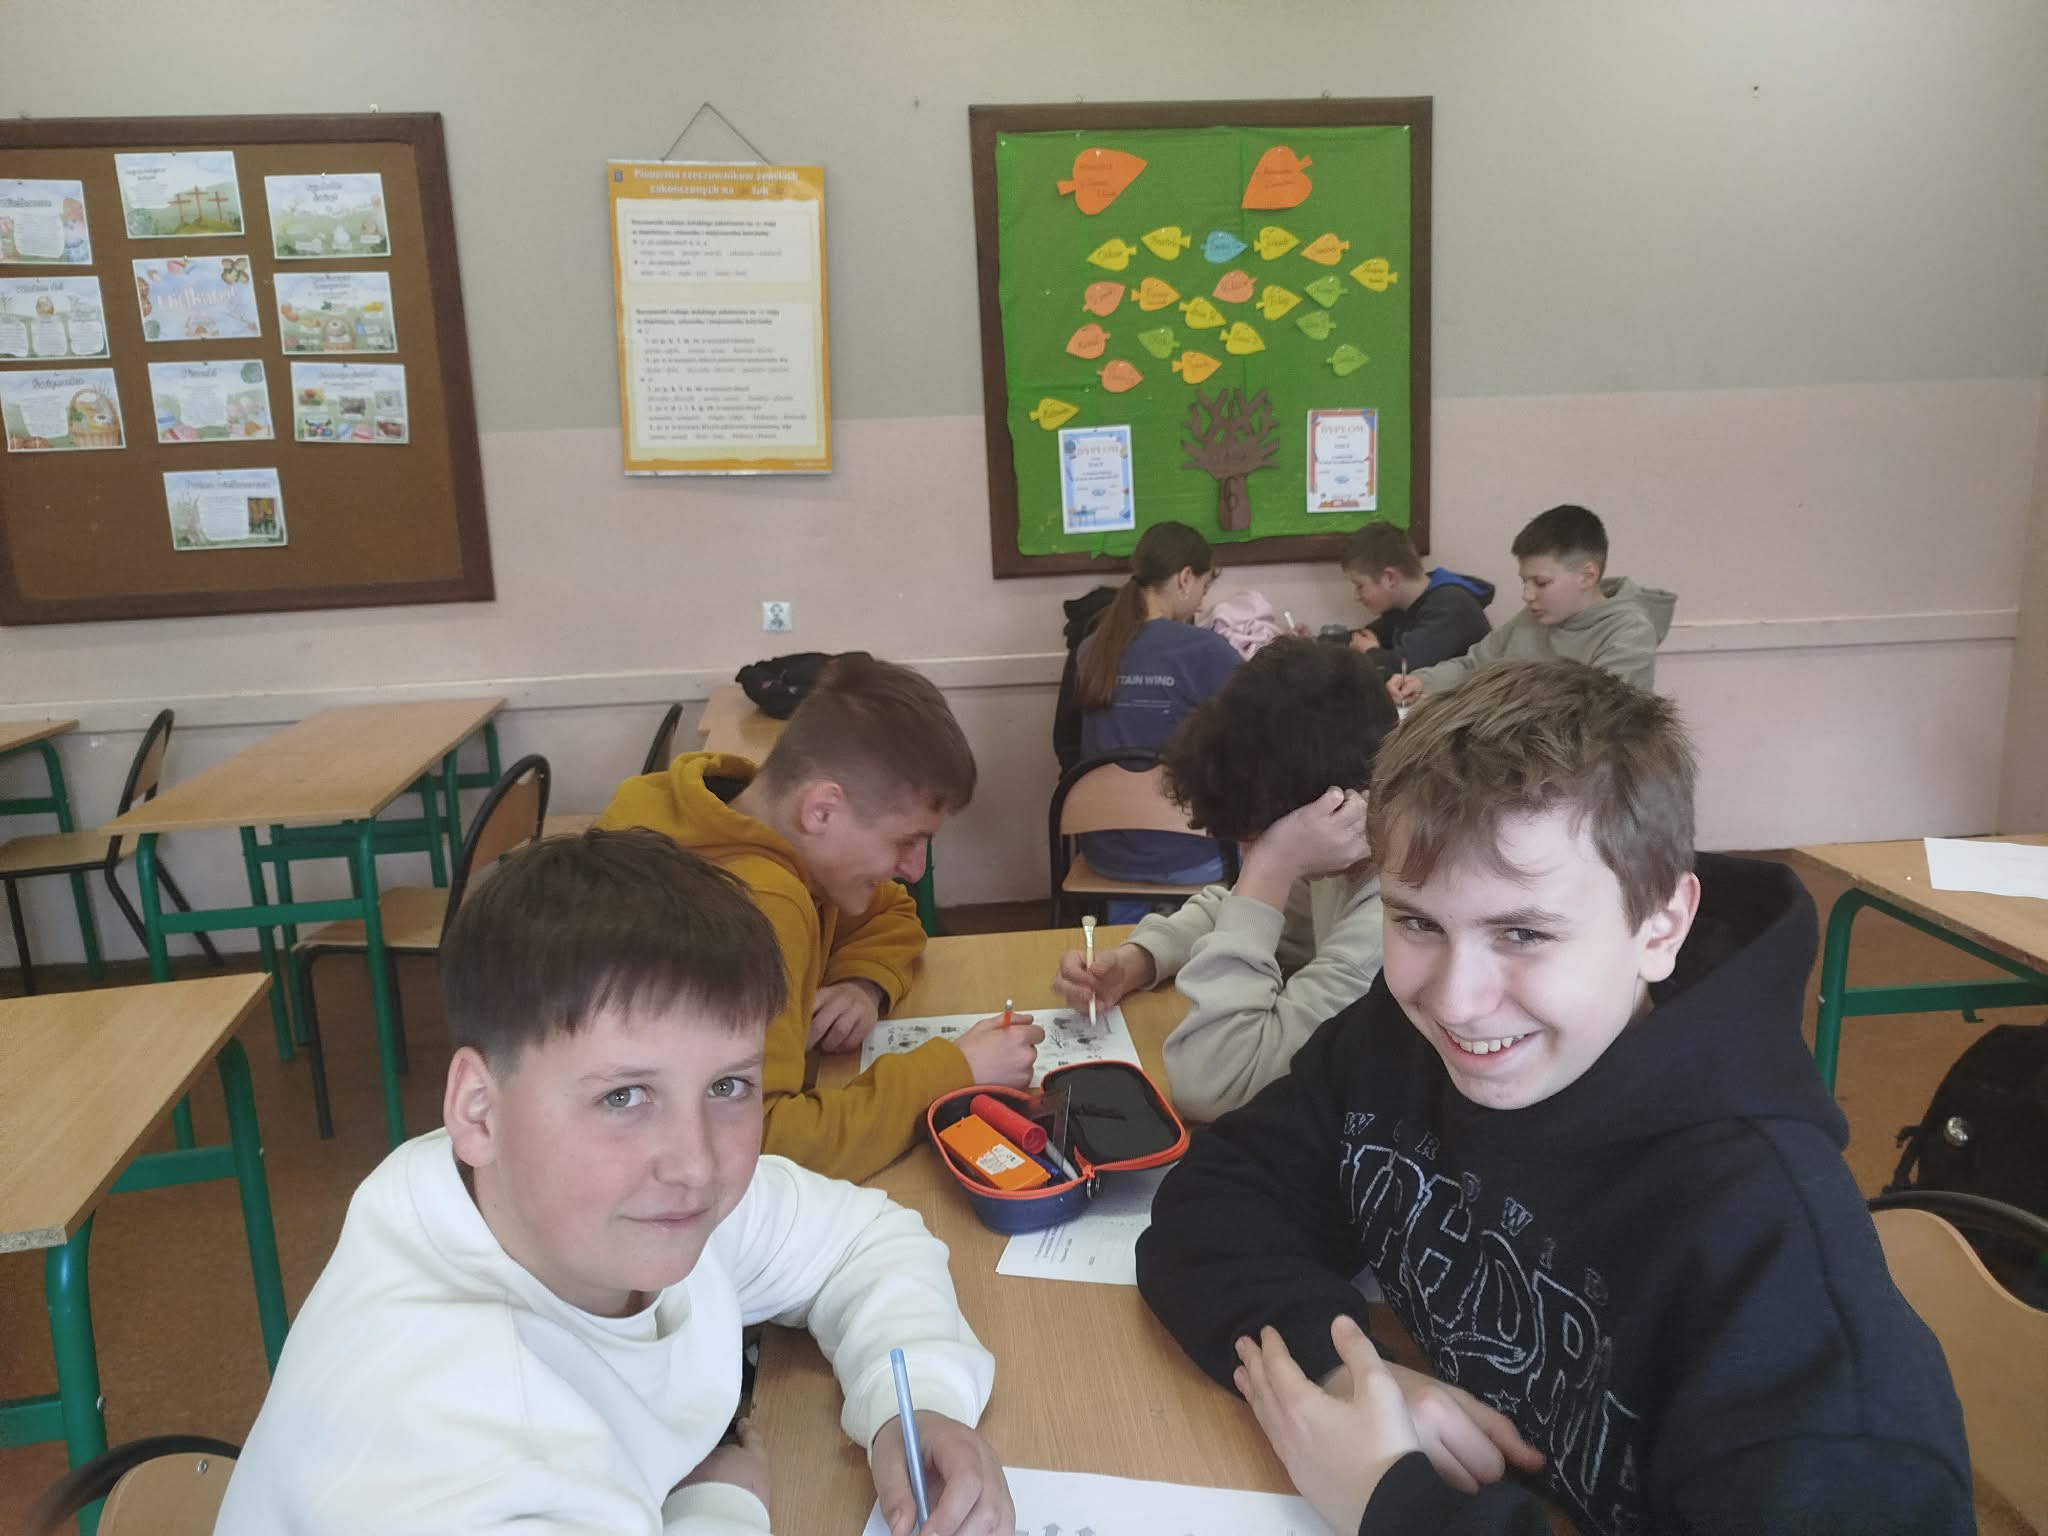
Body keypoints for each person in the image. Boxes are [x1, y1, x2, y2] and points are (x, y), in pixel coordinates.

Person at [1135, 661, 1971, 1536]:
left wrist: (1397, 1506)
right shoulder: (1404, 1033)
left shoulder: (1777, 1268)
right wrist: (1351, 1374)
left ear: (1661, 926)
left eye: (1523, 932)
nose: (1457, 1000)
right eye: (1417, 921)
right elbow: (1217, 1200)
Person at [218, 830, 1012, 1536]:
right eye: (623, 1097)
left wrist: (914, 1403)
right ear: (478, 1109)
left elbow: (861, 1240)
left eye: (729, 1086)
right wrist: (721, 1510)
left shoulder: (583, 1203)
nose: (696, 1163)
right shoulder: (446, 1447)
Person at [597, 655, 1041, 1183]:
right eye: (907, 841)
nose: (914, 869)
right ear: (822, 810)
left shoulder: (748, 822)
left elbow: (894, 912)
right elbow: (762, 1147)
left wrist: (862, 983)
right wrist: (954, 1072)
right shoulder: (761, 904)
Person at [1053, 638, 1397, 1120]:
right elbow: (1246, 911)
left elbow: (1214, 1082)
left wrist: (1273, 866)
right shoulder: (1351, 840)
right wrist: (1138, 960)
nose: (1252, 859)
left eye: (1263, 843)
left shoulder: (1397, 913)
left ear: (1335, 807)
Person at [1073, 521, 1241, 909]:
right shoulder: (1207, 649)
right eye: (1204, 587)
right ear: (1185, 578)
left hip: (1106, 856)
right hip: (1194, 859)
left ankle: (1126, 937)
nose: (1201, 603)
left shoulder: (1090, 649)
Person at [1389, 504, 1674, 707]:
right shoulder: (1533, 618)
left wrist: (1477, 704)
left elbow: (1595, 721)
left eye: (1541, 582)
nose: (1527, 595)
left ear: (1587, 576)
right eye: (1524, 581)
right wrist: (1422, 682)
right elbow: (1474, 665)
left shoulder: (1629, 634)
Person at [1337, 523, 1493, 678]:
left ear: (1389, 578)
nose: (1356, 597)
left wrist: (1370, 652)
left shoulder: (1452, 607)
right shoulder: (1404, 606)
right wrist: (1322, 646)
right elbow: (1365, 636)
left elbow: (1405, 666)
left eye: (1359, 585)